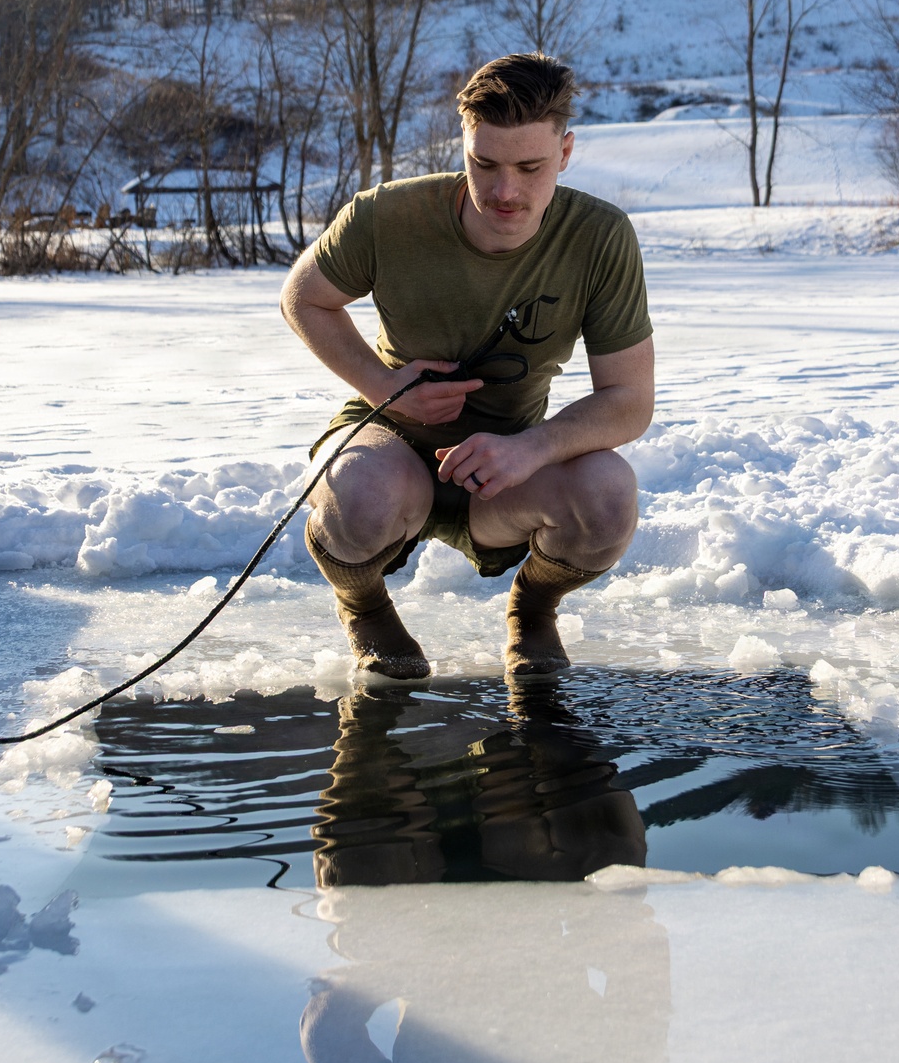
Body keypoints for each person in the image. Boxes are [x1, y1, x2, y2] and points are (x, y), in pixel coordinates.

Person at [280, 52, 654, 680]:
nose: (505, 191)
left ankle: (532, 611)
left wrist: (532, 448)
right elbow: (303, 298)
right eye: (484, 164)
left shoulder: (600, 238)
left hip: (506, 469)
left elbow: (629, 400)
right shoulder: (386, 215)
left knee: (610, 495)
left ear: (564, 152)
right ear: (463, 144)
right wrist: (384, 387)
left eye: (530, 167)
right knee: (356, 497)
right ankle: (362, 604)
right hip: (392, 440)